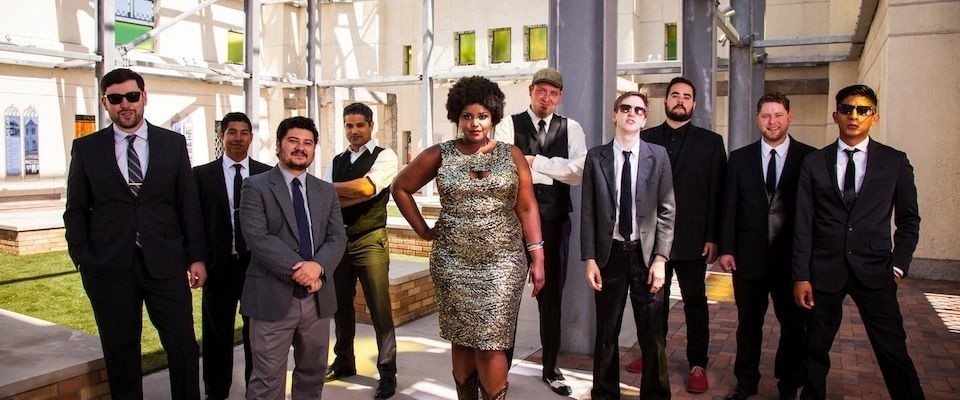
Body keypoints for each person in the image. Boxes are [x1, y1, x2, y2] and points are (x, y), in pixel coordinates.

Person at [392, 76, 545, 400]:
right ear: (456, 117)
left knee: (491, 342)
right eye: (467, 116)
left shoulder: (512, 154)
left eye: (482, 116)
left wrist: (538, 256)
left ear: (493, 117)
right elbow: (400, 188)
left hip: (503, 264)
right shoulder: (440, 154)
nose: (475, 123)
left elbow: (527, 207)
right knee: (461, 338)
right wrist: (423, 230)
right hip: (452, 263)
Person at [63, 67, 207, 399]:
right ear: (105, 103)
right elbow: (76, 210)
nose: (125, 104)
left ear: (144, 97)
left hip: (165, 265)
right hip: (109, 268)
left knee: (183, 346)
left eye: (131, 96)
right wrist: (83, 258)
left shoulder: (172, 144)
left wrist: (197, 257)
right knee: (121, 353)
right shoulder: (86, 149)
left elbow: (188, 205)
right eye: (116, 99)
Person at [792, 84, 924, 400]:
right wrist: (801, 275)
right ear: (836, 115)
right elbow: (803, 224)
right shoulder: (814, 162)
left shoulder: (894, 162)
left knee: (893, 349)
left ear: (874, 117)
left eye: (863, 110)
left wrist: (898, 267)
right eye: (847, 109)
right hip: (824, 270)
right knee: (814, 349)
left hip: (876, 271)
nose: (854, 116)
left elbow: (909, 221)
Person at [239, 116, 347, 400]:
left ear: (313, 149)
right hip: (272, 298)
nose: (301, 148)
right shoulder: (255, 186)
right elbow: (257, 237)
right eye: (293, 141)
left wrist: (318, 267)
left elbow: (337, 237)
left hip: (317, 300)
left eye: (307, 143)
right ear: (278, 145)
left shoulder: (326, 190)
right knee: (267, 381)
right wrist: (304, 272)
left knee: (313, 374)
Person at [493, 67, 586, 396]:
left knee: (552, 299)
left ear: (560, 97)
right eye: (541, 91)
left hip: (557, 223)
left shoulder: (571, 127)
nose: (546, 98)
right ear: (531, 91)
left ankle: (551, 368)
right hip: (514, 223)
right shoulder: (509, 124)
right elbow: (504, 166)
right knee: (507, 298)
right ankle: (499, 371)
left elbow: (578, 171)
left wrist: (534, 162)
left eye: (553, 93)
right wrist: (554, 168)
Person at [718, 93, 815, 400]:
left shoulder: (810, 158)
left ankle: (789, 384)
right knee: (748, 325)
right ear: (757, 119)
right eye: (766, 116)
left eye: (778, 115)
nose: (772, 122)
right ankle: (746, 382)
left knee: (794, 326)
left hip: (792, 261)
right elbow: (729, 205)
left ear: (790, 116)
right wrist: (726, 248)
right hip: (748, 258)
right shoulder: (740, 158)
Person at [633, 76, 727, 393]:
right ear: (666, 101)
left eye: (687, 96)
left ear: (694, 103)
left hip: (693, 238)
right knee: (653, 302)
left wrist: (714, 237)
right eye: (675, 95)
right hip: (651, 238)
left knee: (695, 303)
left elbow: (718, 193)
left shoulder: (711, 142)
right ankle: (653, 355)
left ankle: (698, 363)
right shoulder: (645, 138)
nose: (680, 100)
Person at [581, 91, 675, 400]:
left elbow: (667, 210)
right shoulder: (596, 157)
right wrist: (590, 259)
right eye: (625, 108)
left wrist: (660, 258)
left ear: (645, 118)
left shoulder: (658, 156)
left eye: (638, 110)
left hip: (646, 258)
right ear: (615, 115)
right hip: (610, 257)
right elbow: (589, 212)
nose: (631, 113)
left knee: (653, 334)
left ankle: (656, 395)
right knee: (607, 332)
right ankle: (605, 394)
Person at [322, 102, 400, 399]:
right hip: (339, 241)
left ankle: (387, 372)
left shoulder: (385, 156)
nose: (354, 131)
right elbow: (327, 201)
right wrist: (353, 191)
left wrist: (337, 189)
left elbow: (367, 189)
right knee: (340, 306)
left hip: (370, 239)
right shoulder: (337, 160)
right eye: (349, 125)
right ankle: (344, 361)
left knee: (380, 309)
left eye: (359, 125)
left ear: (371, 126)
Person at [193, 112, 272, 400]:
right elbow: (194, 221)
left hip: (256, 267)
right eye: (231, 132)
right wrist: (197, 259)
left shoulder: (266, 174)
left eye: (244, 132)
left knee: (257, 334)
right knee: (217, 334)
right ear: (221, 136)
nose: (238, 138)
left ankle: (257, 390)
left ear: (251, 137)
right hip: (219, 266)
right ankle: (216, 392)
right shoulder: (201, 175)